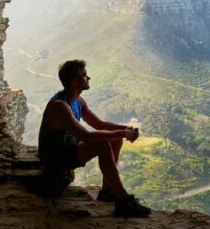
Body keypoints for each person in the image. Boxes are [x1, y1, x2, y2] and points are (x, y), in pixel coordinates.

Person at [38, 59, 152, 217]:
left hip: (68, 147)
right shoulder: (60, 106)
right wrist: (123, 133)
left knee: (114, 140)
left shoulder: (78, 101)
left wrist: (124, 129)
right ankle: (123, 201)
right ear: (74, 81)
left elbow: (98, 123)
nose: (88, 78)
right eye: (85, 76)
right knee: (103, 145)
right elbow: (87, 136)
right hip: (55, 157)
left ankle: (107, 191)